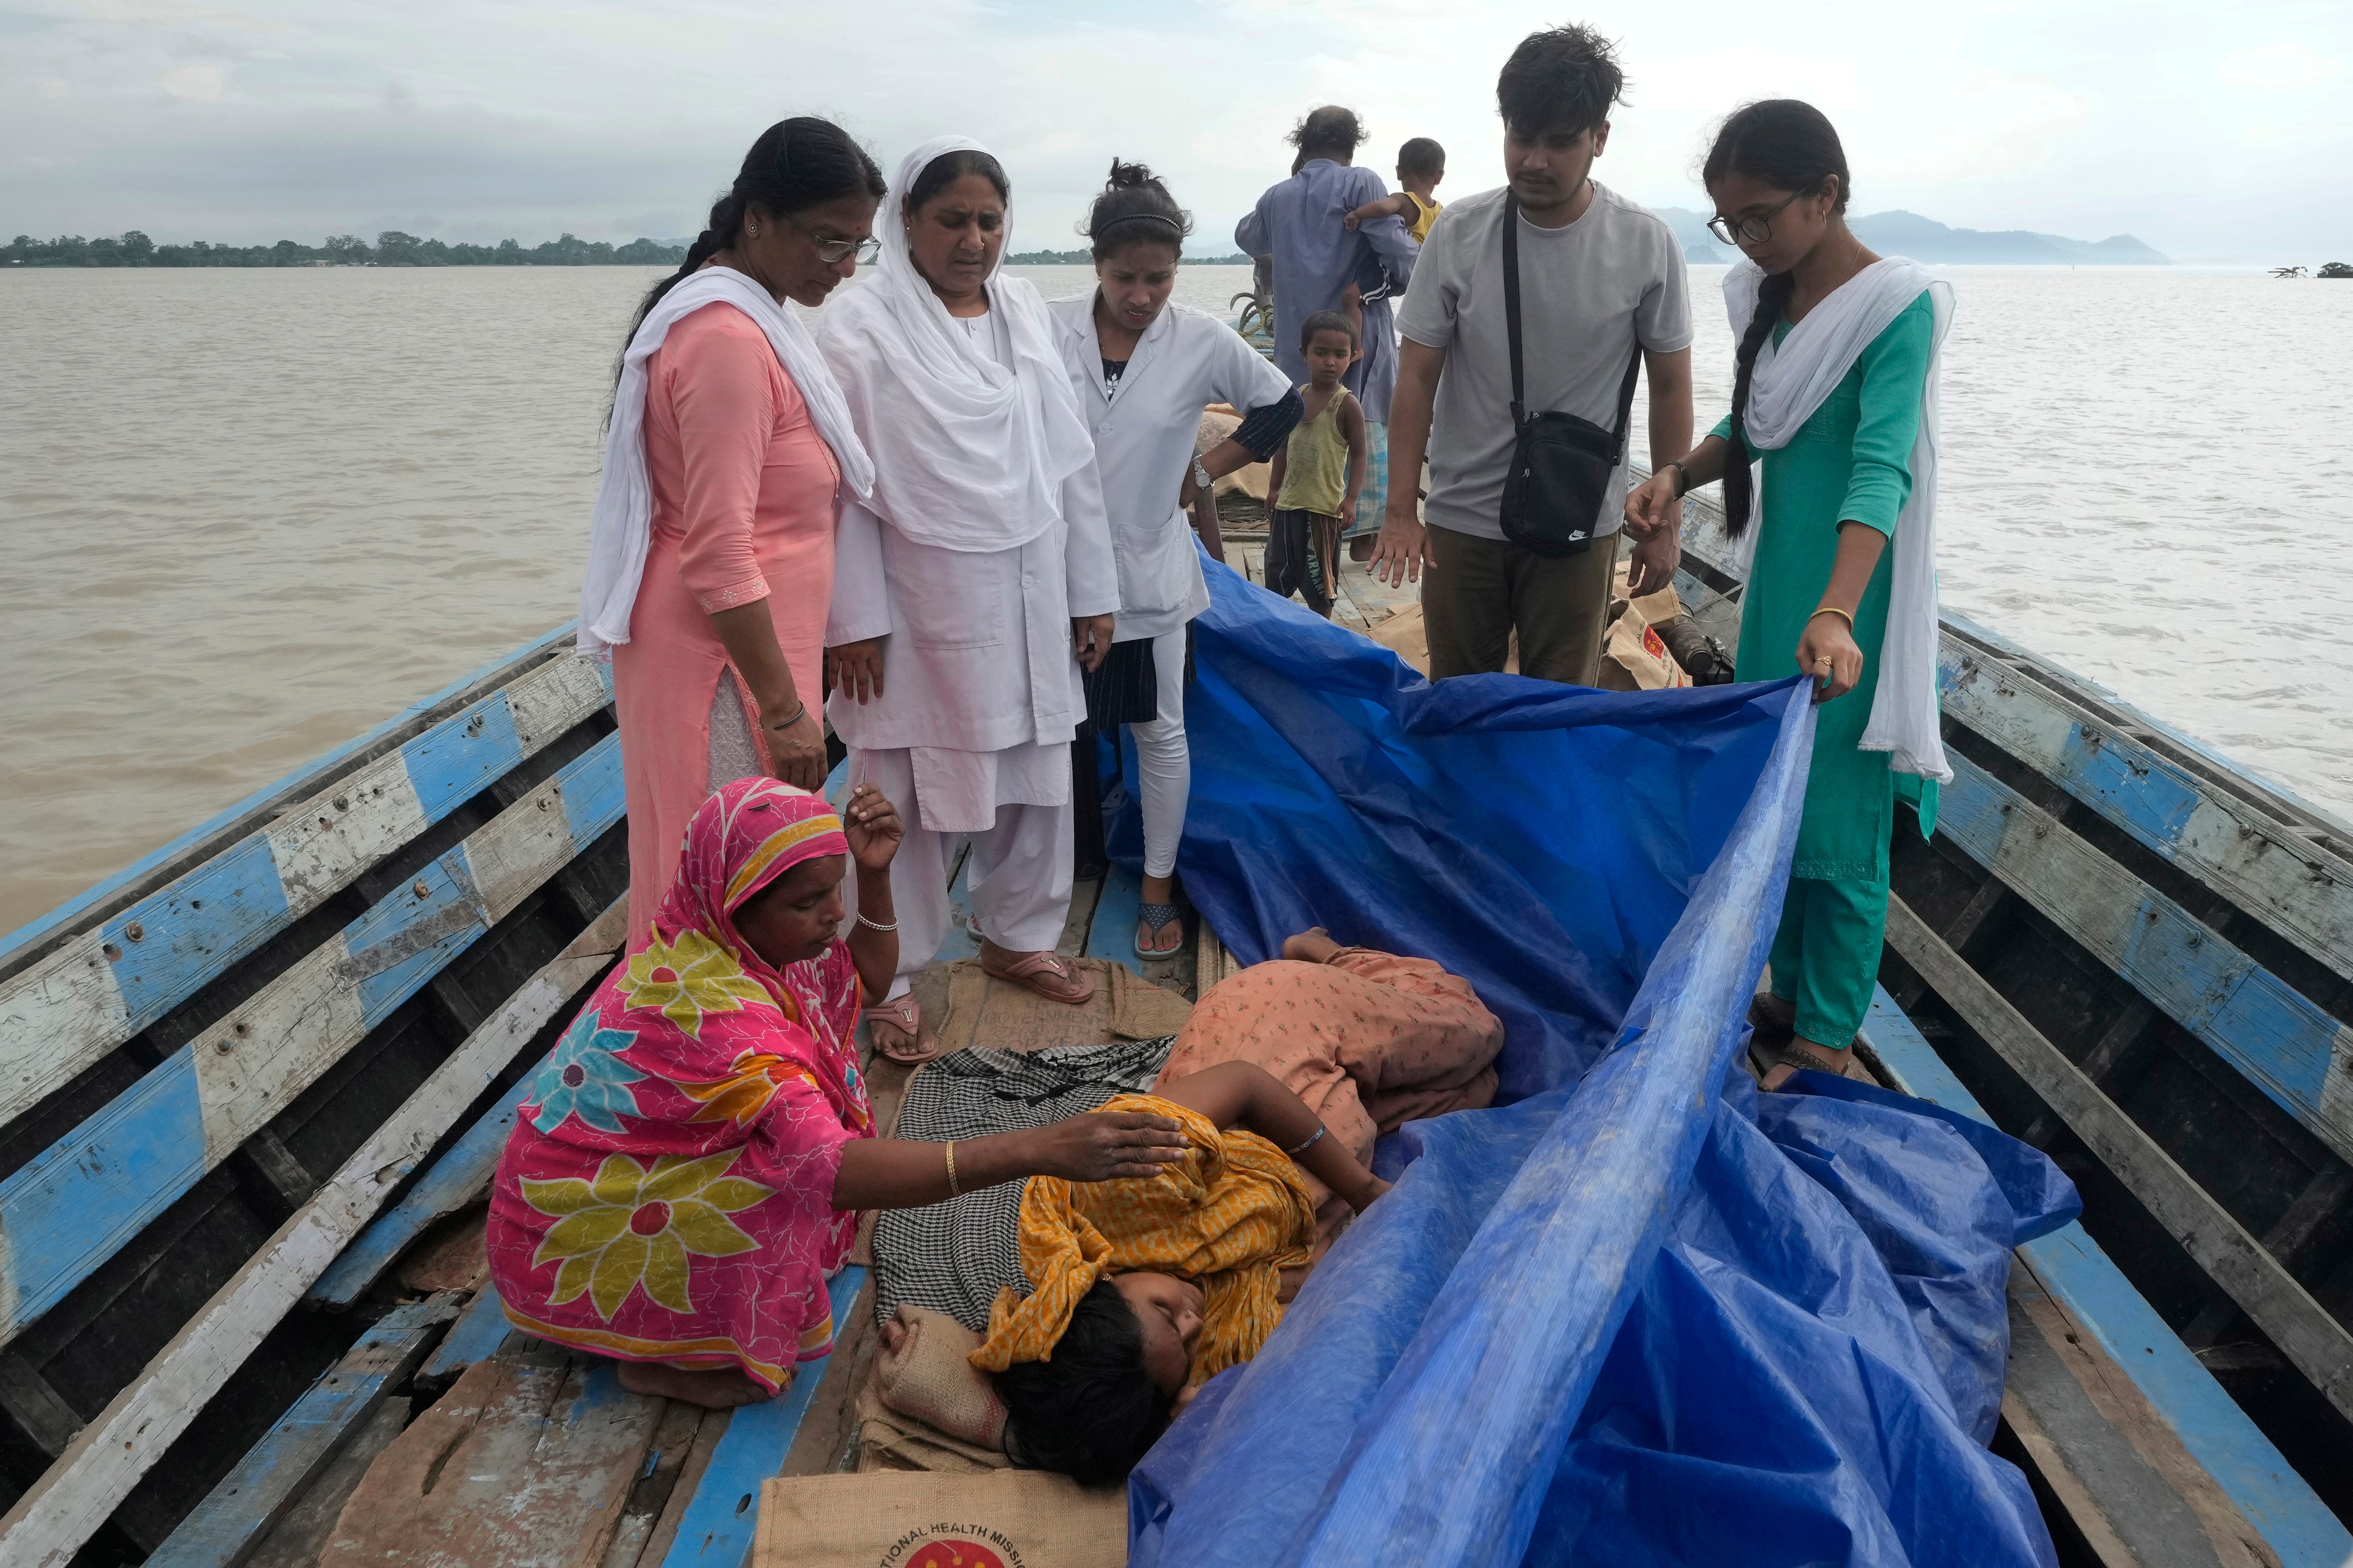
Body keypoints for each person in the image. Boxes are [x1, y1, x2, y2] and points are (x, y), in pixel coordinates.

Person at [488, 778, 1218, 1409]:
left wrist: (874, 875)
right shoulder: (718, 1018)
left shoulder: (726, 940)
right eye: (810, 901)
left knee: (788, 1161)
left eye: (834, 890)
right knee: (779, 1191)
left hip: (610, 1181)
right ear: (736, 900)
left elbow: (862, 978)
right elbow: (832, 1170)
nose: (832, 914)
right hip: (573, 1229)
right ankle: (665, 1358)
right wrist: (1039, 1148)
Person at [871, 926, 1504, 1482]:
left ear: (1101, 1282)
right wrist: (1202, 1408)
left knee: (1480, 1031)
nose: (1193, 1319)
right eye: (1184, 1343)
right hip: (1341, 1115)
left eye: (1164, 1311)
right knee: (1480, 1091)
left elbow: (1247, 1083)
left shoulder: (1122, 1189)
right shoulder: (1221, 1331)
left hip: (1283, 1027)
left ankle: (1325, 954)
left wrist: (1363, 1190)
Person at [1625, 101, 1950, 1091]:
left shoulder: (1896, 306)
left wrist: (1840, 609)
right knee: (1781, 791)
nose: (1748, 239)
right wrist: (1676, 474)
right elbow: (1755, 426)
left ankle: (1827, 1034)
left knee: (1841, 809)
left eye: (1761, 217)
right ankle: (1797, 989)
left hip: (1855, 592)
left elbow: (1881, 467)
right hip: (1782, 587)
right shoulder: (1773, 301)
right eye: (1731, 224)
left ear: (1827, 196)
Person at [820, 139, 1120, 1061]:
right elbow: (843, 486)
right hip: (912, 599)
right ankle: (889, 974)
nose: (973, 239)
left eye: (989, 221)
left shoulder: (1023, 313)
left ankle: (1018, 935)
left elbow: (1069, 465)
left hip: (1028, 583)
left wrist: (1091, 592)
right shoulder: (860, 325)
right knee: (896, 789)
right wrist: (852, 619)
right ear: (906, 220)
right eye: (951, 220)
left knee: (1036, 772)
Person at [575, 117, 885, 950]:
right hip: (722, 665)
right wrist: (783, 712)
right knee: (728, 891)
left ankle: (745, 1030)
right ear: (756, 219)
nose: (845, 267)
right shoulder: (725, 343)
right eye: (828, 241)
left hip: (752, 652)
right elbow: (718, 553)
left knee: (744, 881)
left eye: (858, 245)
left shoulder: (757, 324)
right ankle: (709, 1036)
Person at [1372, 26, 1695, 686]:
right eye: (1520, 137)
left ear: (1599, 138)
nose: (1534, 161)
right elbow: (1417, 377)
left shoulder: (1645, 244)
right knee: (1458, 701)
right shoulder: (1459, 231)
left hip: (1579, 519)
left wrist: (1667, 522)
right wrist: (1401, 509)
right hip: (1462, 518)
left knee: (1559, 706)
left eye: (1559, 142)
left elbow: (1670, 387)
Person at [1047, 162, 1300, 959]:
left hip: (1147, 571)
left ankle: (1157, 886)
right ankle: (1045, 877)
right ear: (1096, 263)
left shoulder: (1198, 339)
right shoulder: (1044, 328)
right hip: (1050, 571)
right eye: (1124, 277)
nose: (1141, 295)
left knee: (1158, 730)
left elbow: (1282, 403)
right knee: (1048, 728)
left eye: (1158, 278)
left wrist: (1204, 468)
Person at [1235, 106, 1418, 438]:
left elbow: (1246, 237)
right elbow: (1403, 258)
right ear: (1351, 147)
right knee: (1359, 458)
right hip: (1355, 362)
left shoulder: (1277, 196)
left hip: (1298, 363)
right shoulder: (1361, 182)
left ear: (1303, 145)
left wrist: (1293, 189)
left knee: (1302, 453)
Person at [1263, 312, 1366, 618]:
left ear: (1352, 357)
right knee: (1276, 576)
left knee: (1321, 585)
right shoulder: (1295, 399)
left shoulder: (1347, 405)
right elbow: (1284, 447)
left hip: (1324, 511)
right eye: (1321, 353)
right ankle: (1275, 632)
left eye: (1340, 355)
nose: (1330, 362)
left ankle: (1322, 635)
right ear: (1304, 354)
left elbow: (1360, 455)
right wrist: (1274, 488)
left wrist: (1351, 500)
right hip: (1288, 507)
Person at [1344, 137, 1447, 244]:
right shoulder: (1441, 211)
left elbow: (1383, 208)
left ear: (1399, 172)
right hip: (1428, 254)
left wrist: (1357, 214)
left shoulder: (1403, 200)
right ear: (1439, 177)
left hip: (1410, 253)